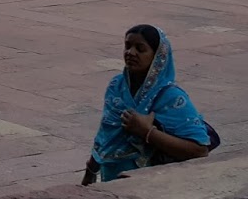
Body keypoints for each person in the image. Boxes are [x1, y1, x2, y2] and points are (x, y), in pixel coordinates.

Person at [83, 24, 215, 185]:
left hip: (149, 183)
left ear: (157, 57)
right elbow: (105, 133)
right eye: (127, 46)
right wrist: (90, 170)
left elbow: (200, 150)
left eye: (140, 48)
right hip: (110, 175)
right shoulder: (116, 85)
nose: (130, 53)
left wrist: (147, 132)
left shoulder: (171, 97)